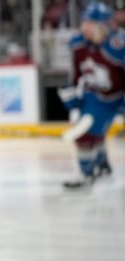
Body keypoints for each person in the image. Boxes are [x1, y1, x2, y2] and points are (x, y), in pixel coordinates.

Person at [57, 2, 123, 188]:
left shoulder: (119, 45)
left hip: (119, 95)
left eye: (90, 23)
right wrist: (72, 93)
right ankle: (89, 173)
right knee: (86, 134)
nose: (84, 27)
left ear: (105, 25)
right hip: (96, 96)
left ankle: (102, 164)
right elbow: (75, 74)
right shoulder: (78, 44)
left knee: (94, 130)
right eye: (84, 22)